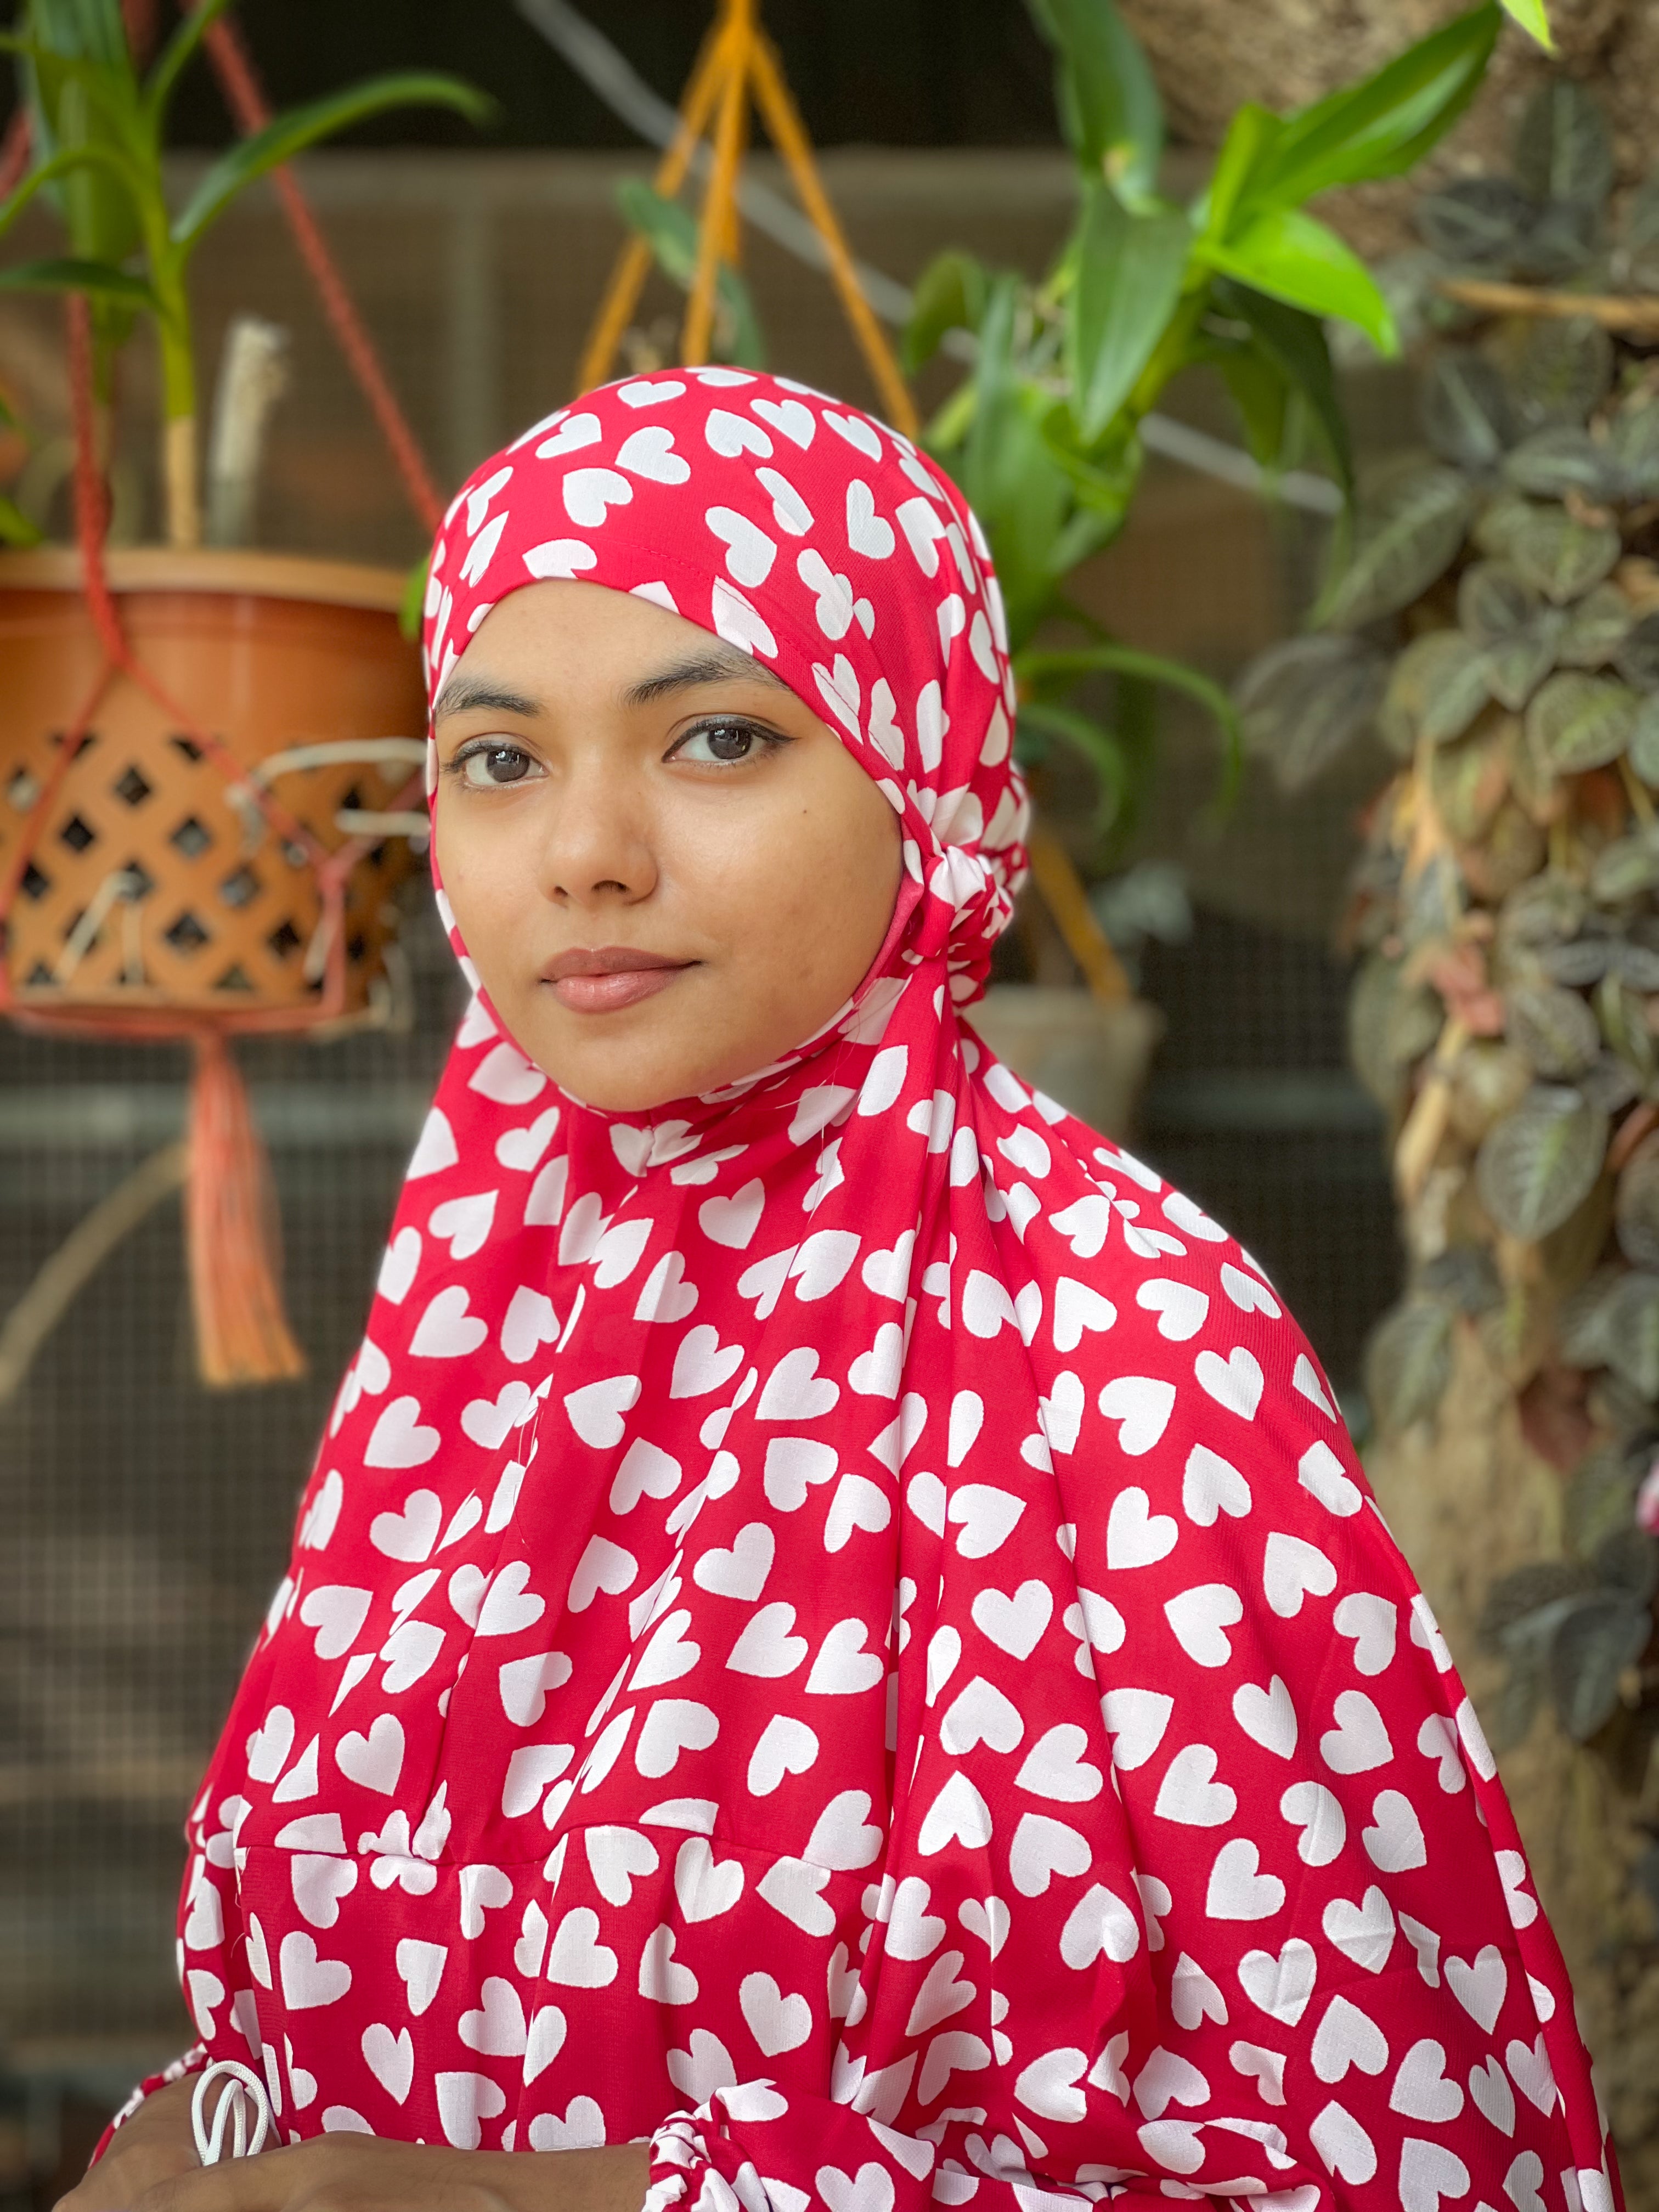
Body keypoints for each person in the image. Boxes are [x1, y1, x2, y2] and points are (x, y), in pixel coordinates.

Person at [66, 368, 1616, 2212]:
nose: (584, 853)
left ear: (926, 778)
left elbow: (1404, 2174)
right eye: (499, 759)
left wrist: (550, 2203)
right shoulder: (488, 1317)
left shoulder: (1126, 1354)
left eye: (715, 739)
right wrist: (221, 2133)